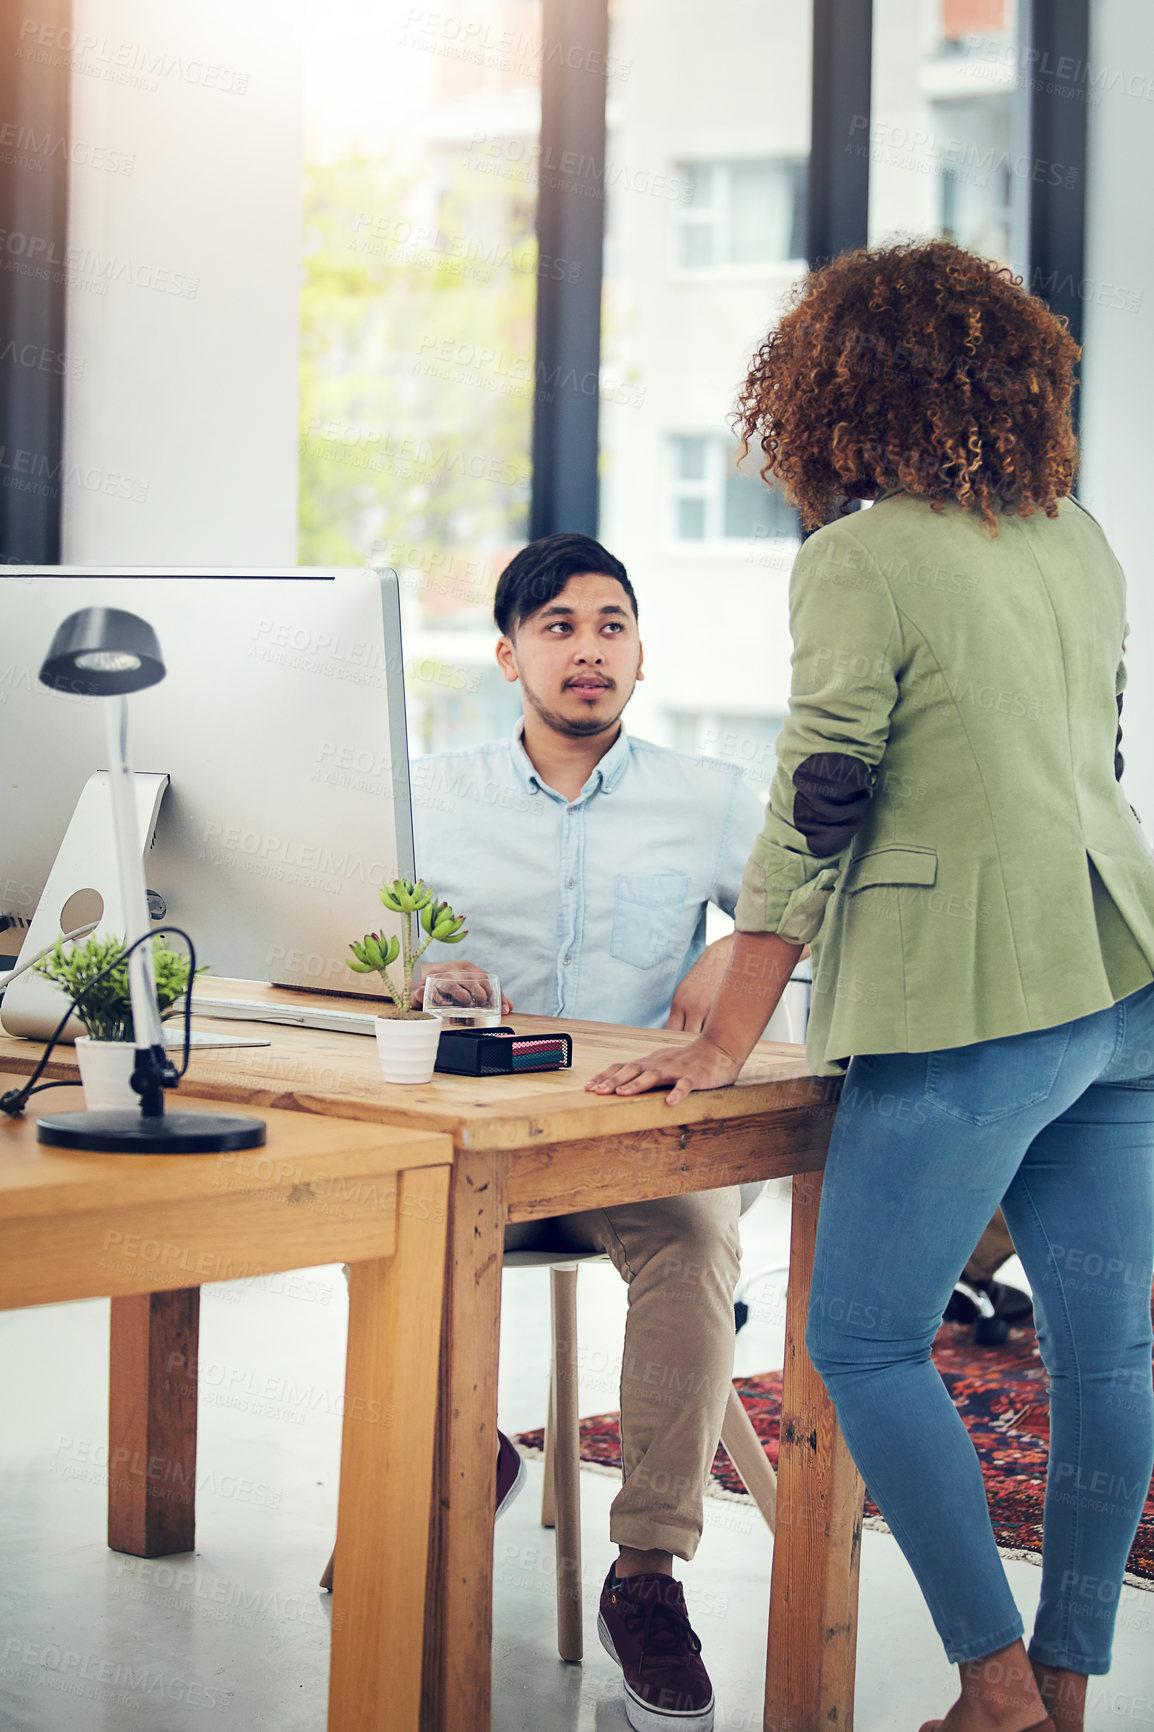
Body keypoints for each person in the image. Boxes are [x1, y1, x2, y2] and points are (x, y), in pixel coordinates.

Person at [589, 239, 1154, 1732]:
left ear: (832, 388)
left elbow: (824, 790)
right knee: (1111, 1352)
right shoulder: (1072, 537)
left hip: (977, 997)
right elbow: (1086, 759)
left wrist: (720, 1028)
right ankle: (1069, 1689)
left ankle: (990, 1692)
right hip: (1120, 980)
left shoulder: (860, 551)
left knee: (858, 1339)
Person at [411, 531, 766, 1732]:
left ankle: (646, 1573)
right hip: (480, 1133)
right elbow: (342, 945)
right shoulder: (427, 797)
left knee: (693, 1242)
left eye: (609, 625)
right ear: (507, 653)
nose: (587, 649)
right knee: (382, 1213)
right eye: (557, 626)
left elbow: (814, 907)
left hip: (635, 1137)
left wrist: (732, 947)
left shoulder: (706, 796)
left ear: (640, 656)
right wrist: (418, 971)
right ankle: (471, 1456)